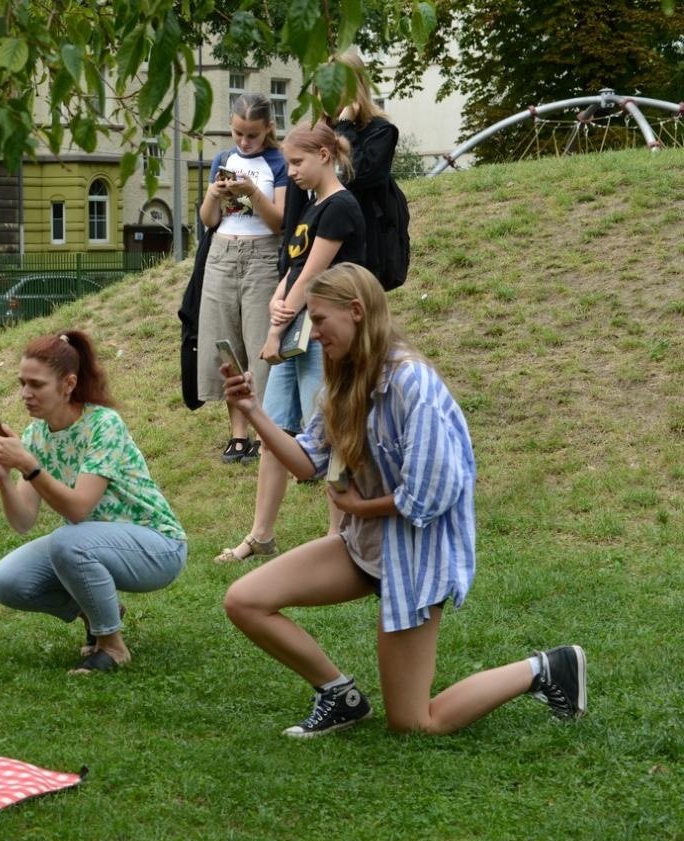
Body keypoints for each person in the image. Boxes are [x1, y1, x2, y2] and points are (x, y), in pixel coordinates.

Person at [220, 263, 587, 737]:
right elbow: (307, 463)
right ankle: (339, 695)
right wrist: (251, 410)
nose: (313, 336)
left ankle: (546, 668)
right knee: (244, 600)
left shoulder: (415, 386)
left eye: (320, 321)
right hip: (365, 547)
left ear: (356, 312)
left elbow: (429, 497)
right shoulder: (344, 378)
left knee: (415, 722)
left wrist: (354, 508)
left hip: (417, 558)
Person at [0, 332, 187, 674]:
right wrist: (4, 477)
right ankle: (100, 611)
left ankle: (112, 645)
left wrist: (30, 466)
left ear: (68, 384)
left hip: (158, 547)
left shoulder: (103, 424)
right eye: (21, 383)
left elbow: (79, 509)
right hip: (91, 543)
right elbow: (23, 521)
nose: (25, 394)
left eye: (36, 384)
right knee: (7, 580)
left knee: (68, 539)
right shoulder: (35, 435)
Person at [216, 120, 365, 565]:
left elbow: (316, 274)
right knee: (275, 433)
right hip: (295, 335)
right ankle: (261, 535)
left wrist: (279, 323)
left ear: (324, 155)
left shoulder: (341, 206)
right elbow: (294, 267)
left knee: (335, 434)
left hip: (324, 336)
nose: (292, 171)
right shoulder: (313, 207)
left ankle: (337, 536)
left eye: (297, 162)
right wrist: (277, 315)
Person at [196, 92, 289, 463]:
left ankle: (269, 432)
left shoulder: (279, 162)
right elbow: (208, 220)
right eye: (238, 133)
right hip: (221, 255)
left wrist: (251, 191)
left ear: (268, 129)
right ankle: (238, 436)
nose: (244, 142)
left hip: (263, 256)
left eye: (252, 135)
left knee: (259, 346)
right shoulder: (223, 159)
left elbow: (280, 221)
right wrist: (214, 194)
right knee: (226, 345)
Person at [333, 50, 409, 291]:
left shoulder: (380, 131)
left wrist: (345, 127)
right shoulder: (318, 132)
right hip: (324, 240)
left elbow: (359, 174)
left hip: (363, 248)